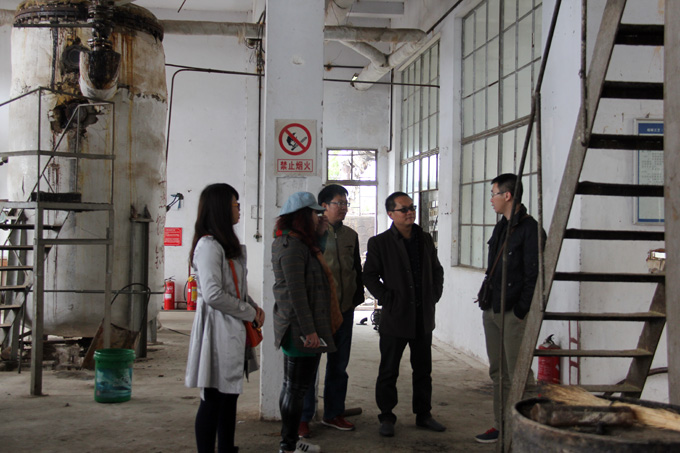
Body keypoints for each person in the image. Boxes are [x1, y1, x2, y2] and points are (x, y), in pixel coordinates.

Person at [185, 183, 266, 453]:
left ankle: (227, 448)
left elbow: (235, 288)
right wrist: (249, 312)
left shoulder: (225, 245)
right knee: (213, 397)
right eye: (235, 204)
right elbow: (212, 294)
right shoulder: (208, 246)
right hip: (216, 330)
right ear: (221, 208)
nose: (239, 209)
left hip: (232, 327)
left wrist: (253, 306)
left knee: (229, 395)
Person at [363, 191, 445, 437]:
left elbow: (437, 270)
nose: (410, 213)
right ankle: (386, 416)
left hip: (422, 317)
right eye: (404, 209)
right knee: (389, 370)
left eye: (412, 208)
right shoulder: (379, 243)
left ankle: (424, 414)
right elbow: (369, 276)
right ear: (391, 214)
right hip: (396, 317)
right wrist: (388, 299)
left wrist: (434, 294)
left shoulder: (425, 239)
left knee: (423, 370)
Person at [474, 173, 545, 444]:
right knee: (498, 373)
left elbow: (534, 275)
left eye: (493, 193)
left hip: (513, 312)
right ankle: (501, 425)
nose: (491, 199)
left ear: (507, 195)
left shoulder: (530, 230)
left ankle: (528, 431)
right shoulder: (501, 227)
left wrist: (521, 311)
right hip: (492, 309)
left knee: (519, 375)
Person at [272, 191, 342, 453]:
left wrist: (320, 233)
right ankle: (288, 446)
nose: (318, 216)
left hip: (302, 327)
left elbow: (314, 261)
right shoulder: (290, 246)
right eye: (314, 213)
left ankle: (289, 441)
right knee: (296, 389)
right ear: (302, 216)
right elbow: (296, 293)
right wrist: (309, 331)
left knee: (294, 388)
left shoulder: (300, 243)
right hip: (299, 329)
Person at [299, 185, 364, 438]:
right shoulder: (311, 235)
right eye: (339, 203)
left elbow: (355, 268)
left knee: (339, 365)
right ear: (323, 206)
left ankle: (333, 413)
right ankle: (303, 417)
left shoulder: (350, 235)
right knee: (309, 367)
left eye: (346, 203)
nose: (344, 207)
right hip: (319, 313)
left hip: (344, 311)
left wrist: (355, 300)